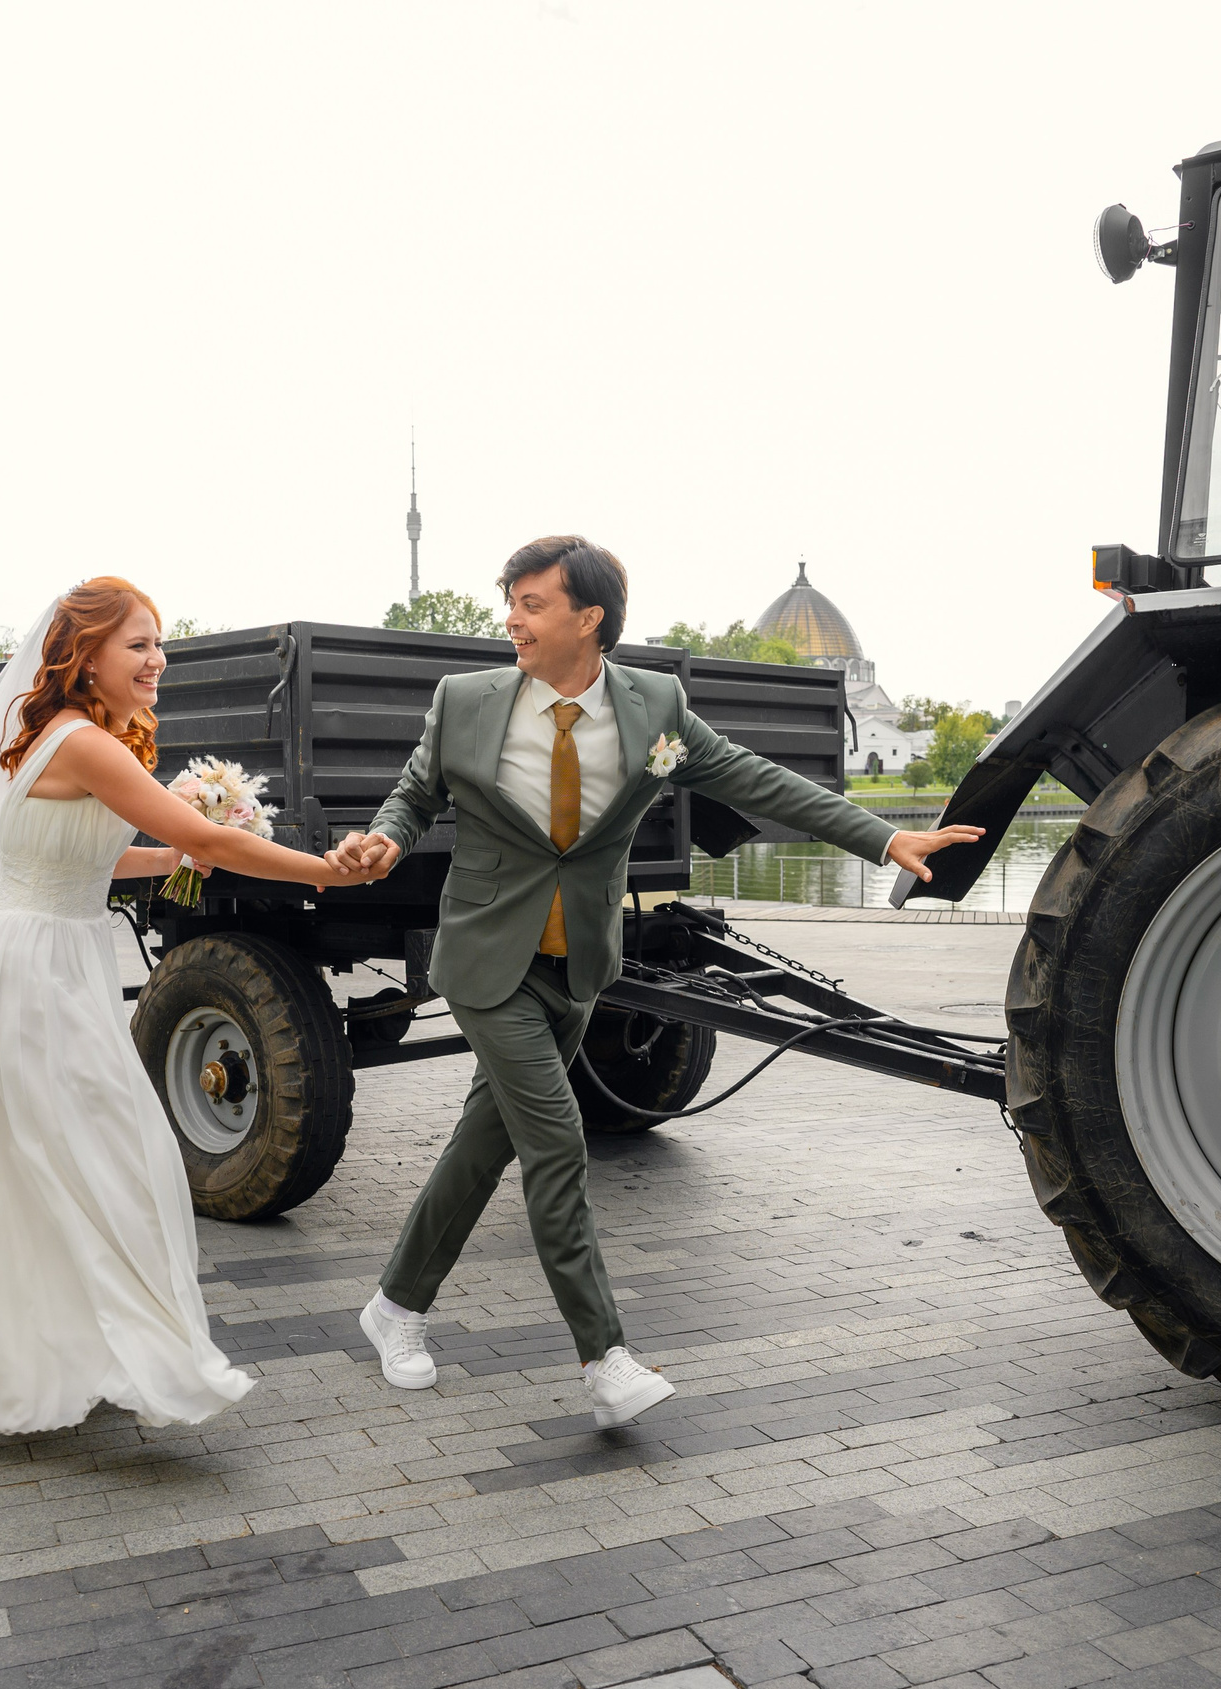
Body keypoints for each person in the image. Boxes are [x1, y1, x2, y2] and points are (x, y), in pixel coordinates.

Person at [326, 536, 984, 1427]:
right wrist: (386, 839)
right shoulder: (466, 701)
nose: (510, 617)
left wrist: (881, 836)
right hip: (486, 961)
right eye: (510, 600)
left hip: (578, 963)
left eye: (531, 602)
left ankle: (394, 1308)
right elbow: (415, 794)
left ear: (587, 619)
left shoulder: (655, 713)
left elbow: (755, 777)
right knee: (556, 1143)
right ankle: (605, 1358)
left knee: (485, 1145)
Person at [0, 576, 377, 1435]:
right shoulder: (83, 742)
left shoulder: (51, 734)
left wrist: (177, 858)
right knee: (118, 1154)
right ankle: (147, 1355)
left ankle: (61, 1354)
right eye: (138, 644)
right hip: (41, 968)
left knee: (54, 1164)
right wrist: (322, 870)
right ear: (86, 654)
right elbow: (210, 838)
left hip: (41, 954)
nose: (157, 661)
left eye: (160, 644)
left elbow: (92, 858)